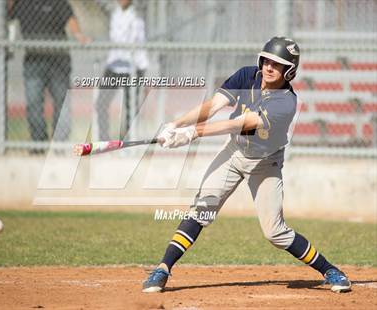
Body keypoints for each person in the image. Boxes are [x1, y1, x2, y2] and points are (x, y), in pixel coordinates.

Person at [142, 37, 352, 294]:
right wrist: (176, 125)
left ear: (290, 71)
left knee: (274, 233)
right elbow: (213, 106)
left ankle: (330, 269)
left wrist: (193, 133)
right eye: (266, 60)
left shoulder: (285, 102)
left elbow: (239, 123)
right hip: (234, 152)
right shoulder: (246, 76)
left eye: (277, 64)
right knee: (202, 208)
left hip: (265, 163)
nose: (269, 67)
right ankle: (162, 268)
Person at [9, 0, 89, 147]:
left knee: (62, 103)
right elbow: (8, 19)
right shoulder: (21, 3)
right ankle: (38, 144)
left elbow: (70, 20)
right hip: (33, 61)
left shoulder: (57, 2)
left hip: (58, 60)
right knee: (33, 105)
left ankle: (59, 145)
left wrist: (79, 35)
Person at [96, 0, 148, 140]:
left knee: (130, 107)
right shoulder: (114, 14)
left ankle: (127, 141)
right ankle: (103, 140)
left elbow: (136, 44)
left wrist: (142, 70)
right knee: (101, 103)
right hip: (114, 65)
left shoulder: (137, 17)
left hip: (133, 67)